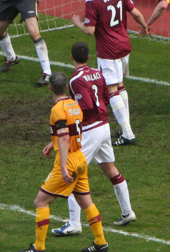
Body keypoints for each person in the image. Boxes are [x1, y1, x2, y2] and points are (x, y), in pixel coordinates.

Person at [48, 41, 137, 238]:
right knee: (111, 169)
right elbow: (105, 97)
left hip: (90, 129)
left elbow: (86, 105)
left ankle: (73, 223)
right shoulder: (98, 73)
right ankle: (127, 211)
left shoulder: (74, 80)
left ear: (71, 57)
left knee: (72, 171)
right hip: (104, 126)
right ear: (89, 57)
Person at [18, 71, 108, 252]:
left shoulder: (57, 110)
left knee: (40, 201)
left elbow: (65, 137)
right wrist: (54, 143)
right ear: (66, 87)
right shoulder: (74, 104)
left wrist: (64, 167)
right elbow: (71, 130)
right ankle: (100, 242)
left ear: (50, 88)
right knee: (85, 201)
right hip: (80, 158)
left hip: (68, 161)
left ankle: (39, 247)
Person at [70, 0, 149, 147]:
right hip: (124, 45)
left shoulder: (92, 1)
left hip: (108, 50)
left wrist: (76, 23)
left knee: (112, 90)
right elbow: (136, 12)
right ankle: (125, 127)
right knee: (120, 86)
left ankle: (128, 134)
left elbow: (90, 31)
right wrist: (145, 26)